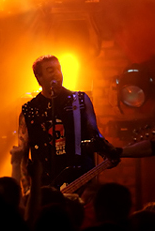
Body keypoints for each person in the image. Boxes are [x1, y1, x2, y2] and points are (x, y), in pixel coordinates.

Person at [16, 54, 116, 193]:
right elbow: (23, 155)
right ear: (39, 77)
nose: (57, 73)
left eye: (59, 69)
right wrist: (27, 190)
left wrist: (109, 151)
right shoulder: (29, 110)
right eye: (50, 70)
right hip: (45, 187)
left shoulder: (79, 101)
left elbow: (95, 136)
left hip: (79, 181)